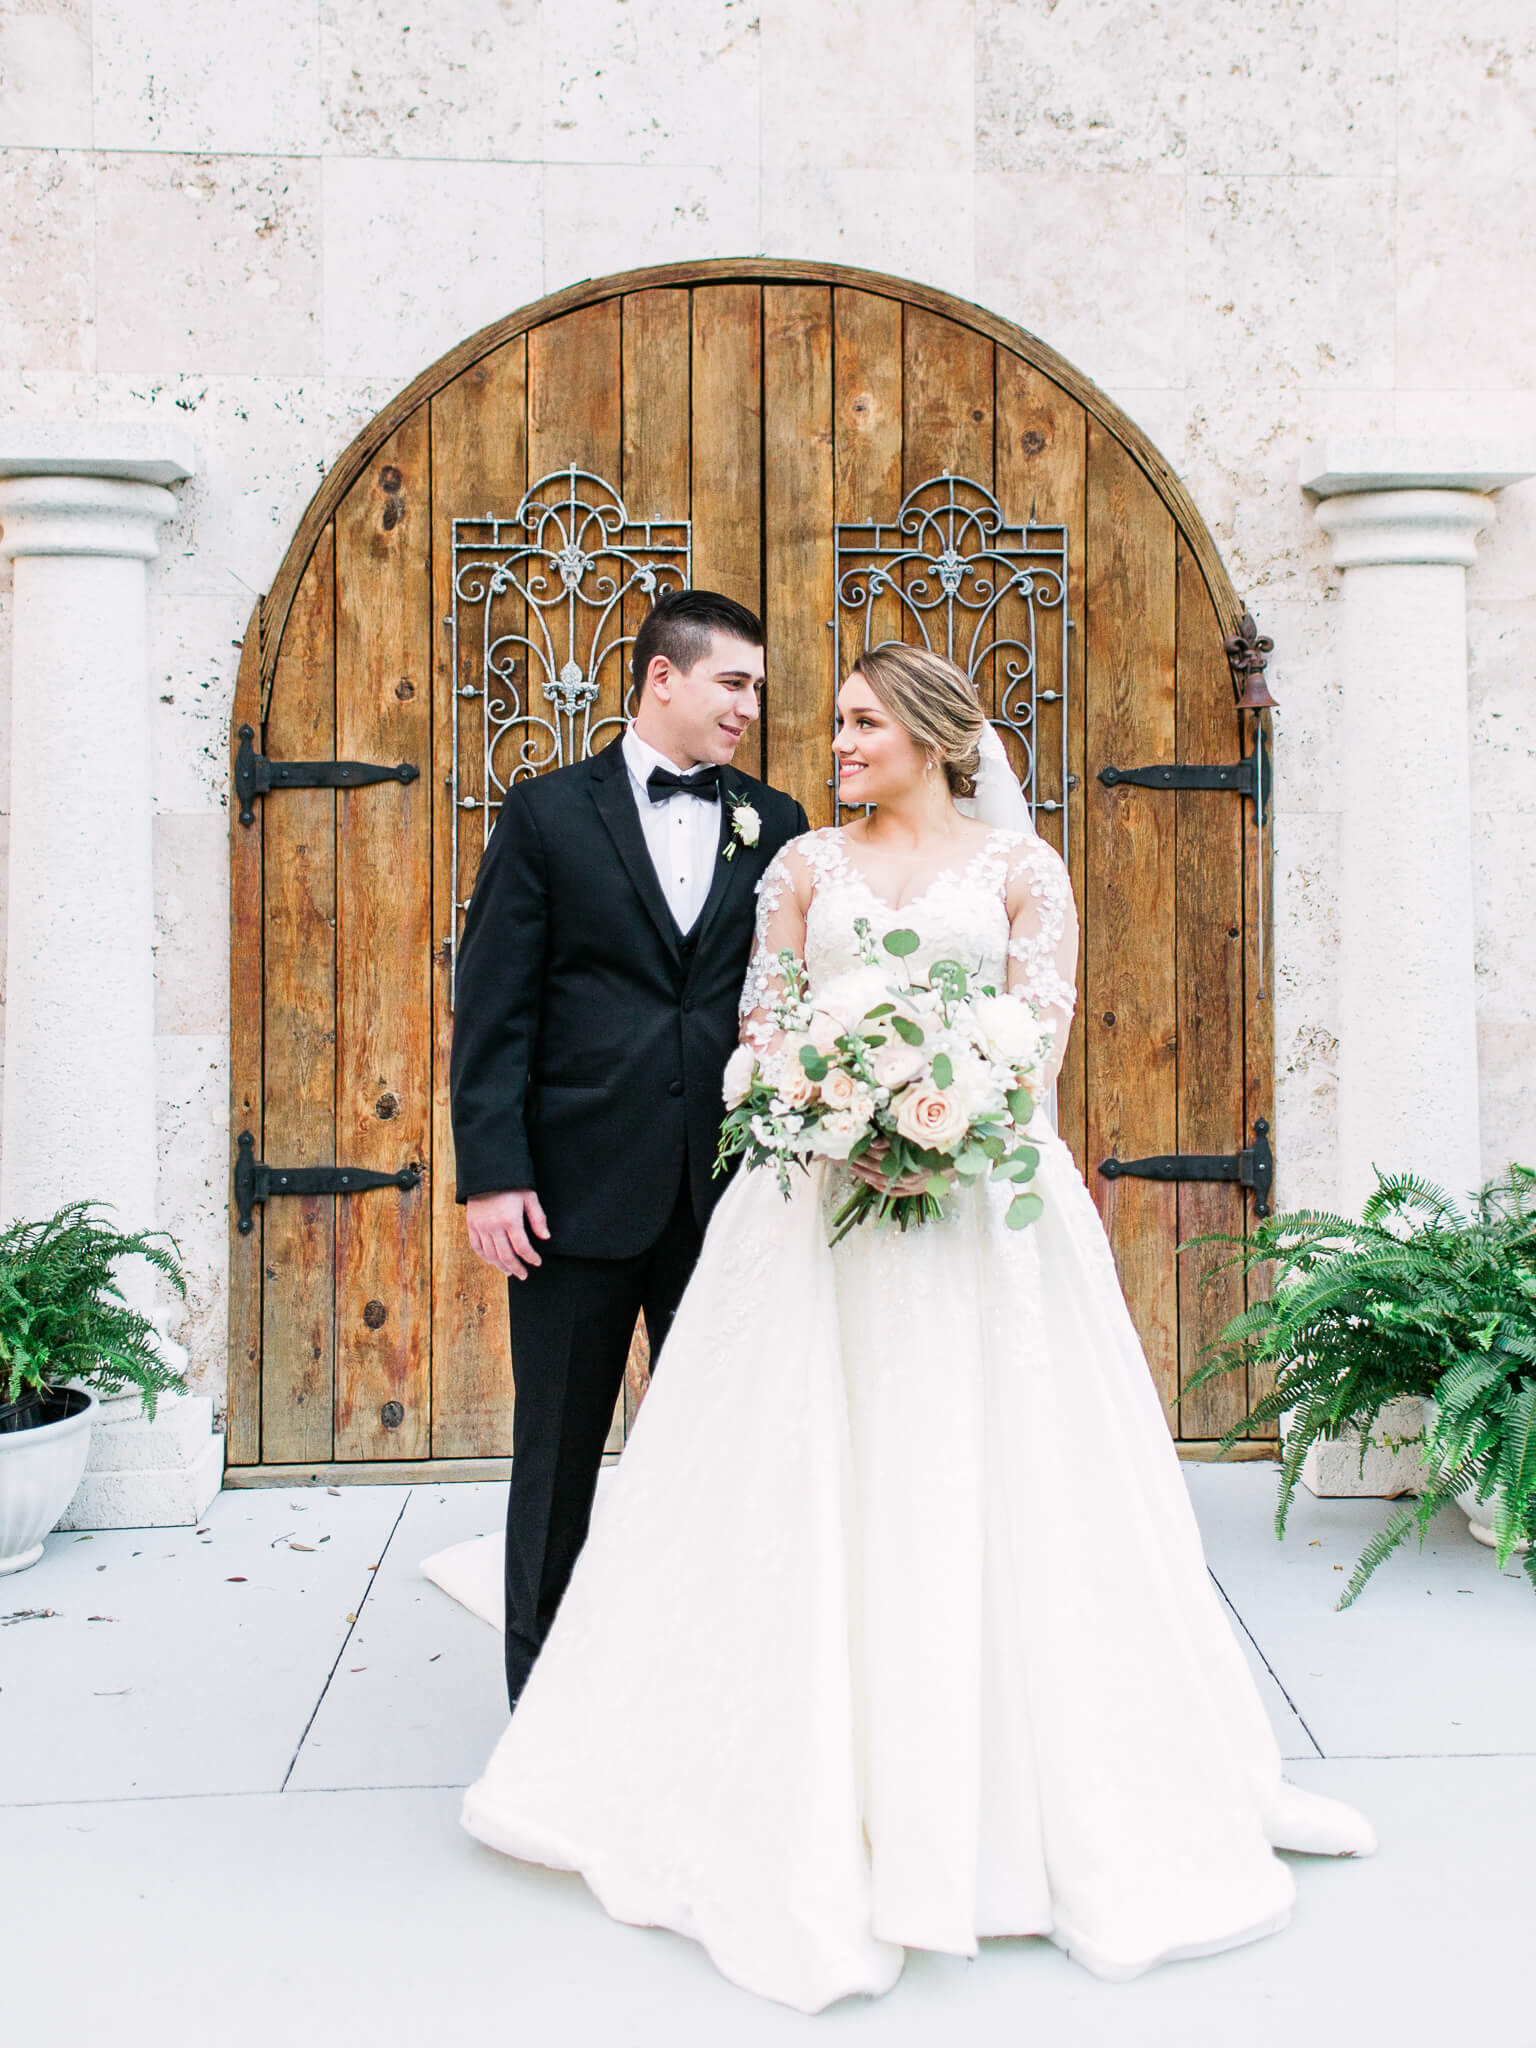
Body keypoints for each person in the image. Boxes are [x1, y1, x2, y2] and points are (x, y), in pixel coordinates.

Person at [429, 643, 1374, 2013]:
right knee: (797, 1468)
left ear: (936, 735)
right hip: (817, 1213)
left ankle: (1001, 1781)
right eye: (836, 723)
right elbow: (761, 1032)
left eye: (863, 722)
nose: (834, 742)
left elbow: (1033, 1040)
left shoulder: (1020, 874)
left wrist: (940, 1118)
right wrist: (832, 1109)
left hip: (986, 1213)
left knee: (988, 1473)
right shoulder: (802, 865)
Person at [447, 589, 808, 1710]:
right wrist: (494, 1172)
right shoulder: (550, 814)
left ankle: (702, 1688)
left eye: (756, 687)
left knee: (725, 1452)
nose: (750, 705)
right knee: (554, 1459)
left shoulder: (780, 820)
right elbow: (493, 1006)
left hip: (730, 1196)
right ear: (662, 677)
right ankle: (543, 1707)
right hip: (573, 1192)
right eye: (732, 683)